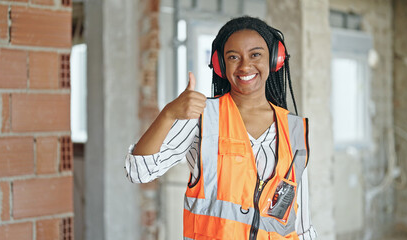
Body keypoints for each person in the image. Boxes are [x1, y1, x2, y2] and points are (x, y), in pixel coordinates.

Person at [125, 16, 317, 240]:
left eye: (255, 54)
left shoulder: (294, 129)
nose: (245, 65)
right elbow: (138, 171)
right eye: (233, 57)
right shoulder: (203, 117)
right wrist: (169, 114)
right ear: (220, 65)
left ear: (275, 59)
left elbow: (301, 225)